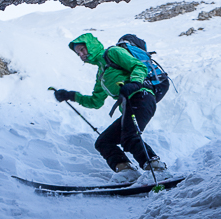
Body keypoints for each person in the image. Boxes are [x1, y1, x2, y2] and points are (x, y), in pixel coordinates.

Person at [53, 33, 167, 182]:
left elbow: (138, 66)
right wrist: (70, 96)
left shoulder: (113, 52)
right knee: (103, 141)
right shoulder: (101, 73)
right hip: (129, 107)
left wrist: (135, 83)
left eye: (82, 49)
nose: (81, 55)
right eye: (78, 53)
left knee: (129, 137)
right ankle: (127, 171)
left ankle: (157, 168)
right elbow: (96, 101)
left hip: (142, 97)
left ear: (91, 46)